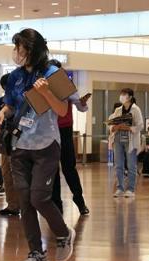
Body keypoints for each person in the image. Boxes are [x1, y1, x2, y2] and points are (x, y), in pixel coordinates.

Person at [0, 28, 76, 261]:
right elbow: (10, 105)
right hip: (20, 146)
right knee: (25, 201)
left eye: (20, 48)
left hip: (46, 144)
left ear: (32, 50)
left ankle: (63, 234)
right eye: (16, 47)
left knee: (39, 197)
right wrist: (1, 112)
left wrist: (45, 92)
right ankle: (35, 253)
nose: (17, 53)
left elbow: (61, 110)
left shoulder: (53, 73)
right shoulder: (15, 77)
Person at [47, 60, 91, 215]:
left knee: (68, 167)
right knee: (52, 169)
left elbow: (80, 106)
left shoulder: (66, 84)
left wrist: (82, 103)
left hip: (64, 129)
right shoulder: (42, 84)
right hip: (49, 131)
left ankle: (79, 200)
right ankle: (57, 205)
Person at [109, 88, 144, 198]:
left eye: (124, 94)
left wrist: (129, 128)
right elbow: (112, 122)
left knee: (131, 165)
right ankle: (120, 188)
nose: (122, 96)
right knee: (118, 165)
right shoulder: (118, 109)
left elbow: (140, 125)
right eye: (121, 94)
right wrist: (113, 127)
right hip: (118, 138)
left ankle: (131, 189)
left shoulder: (135, 109)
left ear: (130, 96)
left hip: (130, 139)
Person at [0, 73, 21, 217]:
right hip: (6, 142)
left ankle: (26, 205)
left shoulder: (23, 100)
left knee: (21, 175)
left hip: (23, 142)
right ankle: (12, 205)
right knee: (7, 174)